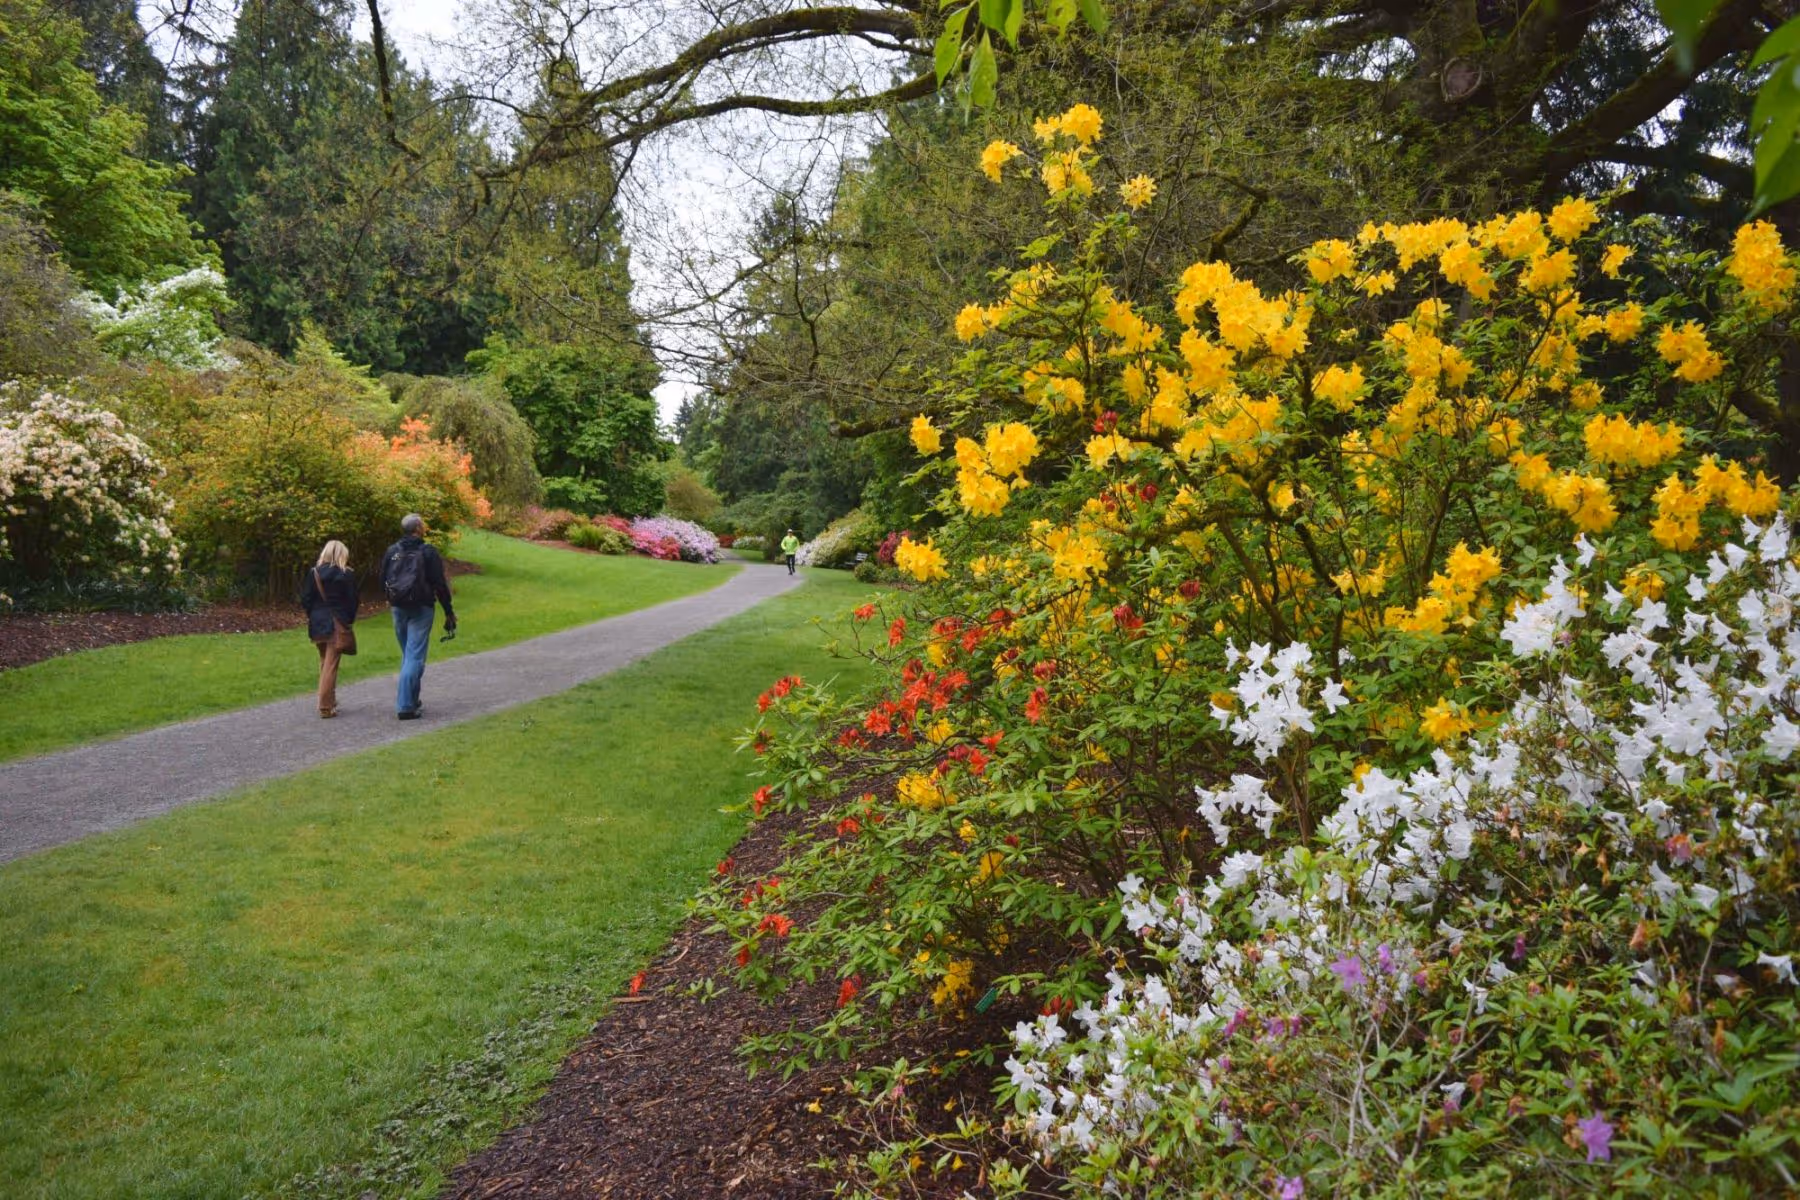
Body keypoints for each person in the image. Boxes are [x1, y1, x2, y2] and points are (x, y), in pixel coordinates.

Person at [379, 513, 456, 720]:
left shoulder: (392, 551)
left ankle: (412, 701)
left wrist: (391, 599)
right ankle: (405, 706)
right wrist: (448, 611)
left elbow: (382, 579)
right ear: (418, 528)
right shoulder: (428, 552)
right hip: (422, 608)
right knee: (414, 656)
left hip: (398, 607)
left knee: (409, 655)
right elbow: (440, 584)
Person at [301, 540, 359, 718]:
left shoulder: (314, 573)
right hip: (336, 623)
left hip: (317, 622)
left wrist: (313, 615)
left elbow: (306, 599)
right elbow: (353, 601)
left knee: (324, 661)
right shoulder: (346, 574)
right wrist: (347, 620)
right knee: (331, 664)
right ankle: (325, 706)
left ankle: (329, 701)